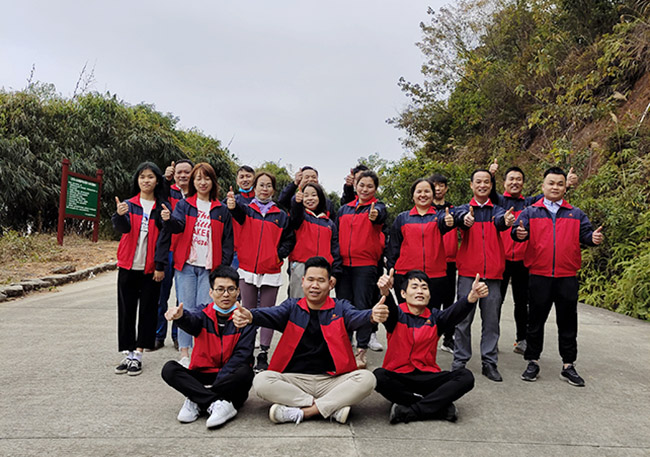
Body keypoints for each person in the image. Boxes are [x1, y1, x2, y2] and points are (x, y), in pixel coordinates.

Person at [232, 256, 389, 424]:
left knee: (367, 379)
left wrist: (372, 316)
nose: (315, 285)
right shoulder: (292, 307)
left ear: (330, 284)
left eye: (321, 281)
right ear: (303, 282)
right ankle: (331, 407)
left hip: (332, 380)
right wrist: (251, 315)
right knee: (261, 381)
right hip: (295, 380)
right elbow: (270, 314)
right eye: (310, 280)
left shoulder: (340, 308)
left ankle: (303, 412)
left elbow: (356, 317)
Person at [513, 166, 603, 386]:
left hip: (567, 276)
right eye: (551, 183)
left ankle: (568, 365)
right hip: (539, 275)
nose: (555, 187)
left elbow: (586, 234)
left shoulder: (576, 213)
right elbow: (517, 231)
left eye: (560, 184)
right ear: (543, 186)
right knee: (535, 321)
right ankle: (533, 361)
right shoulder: (531, 212)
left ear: (565, 187)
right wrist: (519, 233)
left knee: (568, 322)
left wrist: (593, 238)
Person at [487, 159, 578, 355]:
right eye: (511, 179)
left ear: (523, 183)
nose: (515, 182)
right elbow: (490, 193)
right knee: (496, 301)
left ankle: (522, 339)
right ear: (504, 182)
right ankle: (492, 341)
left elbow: (550, 195)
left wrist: (567, 184)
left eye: (519, 179)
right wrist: (491, 175)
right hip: (500, 259)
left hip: (523, 260)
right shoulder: (499, 202)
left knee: (522, 302)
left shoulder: (528, 203)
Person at [373, 269, 488, 424]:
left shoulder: (435, 318)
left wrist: (471, 297)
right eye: (414, 287)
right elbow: (389, 306)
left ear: (429, 295)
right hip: (400, 376)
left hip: (428, 376)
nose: (420, 291)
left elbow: (454, 313)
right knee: (378, 376)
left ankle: (410, 410)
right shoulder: (397, 315)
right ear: (403, 294)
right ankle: (438, 407)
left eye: (424, 288)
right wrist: (385, 292)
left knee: (466, 376)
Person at [161, 266, 255, 428]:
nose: (225, 294)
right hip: (202, 375)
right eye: (220, 289)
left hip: (229, 379)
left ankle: (197, 398)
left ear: (238, 291)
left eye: (231, 289)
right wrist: (180, 317)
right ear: (211, 292)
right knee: (169, 369)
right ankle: (217, 403)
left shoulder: (245, 319)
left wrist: (206, 387)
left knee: (245, 372)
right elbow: (191, 321)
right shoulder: (203, 313)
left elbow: (242, 356)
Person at [162, 162, 234, 368]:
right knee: (185, 309)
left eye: (207, 178)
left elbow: (227, 242)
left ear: (213, 182)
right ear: (193, 182)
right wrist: (167, 220)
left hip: (210, 269)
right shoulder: (185, 205)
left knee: (206, 311)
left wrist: (223, 269)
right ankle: (185, 352)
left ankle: (201, 352)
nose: (203, 182)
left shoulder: (221, 210)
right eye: (198, 178)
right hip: (186, 266)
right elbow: (177, 226)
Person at [451, 169, 516, 382]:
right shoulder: (464, 209)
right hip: (469, 274)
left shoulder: (497, 210)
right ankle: (460, 361)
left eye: (486, 182)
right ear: (471, 185)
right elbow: (460, 219)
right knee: (463, 320)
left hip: (493, 276)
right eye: (478, 181)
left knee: (491, 322)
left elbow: (501, 221)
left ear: (491, 185)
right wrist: (466, 219)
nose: (482, 185)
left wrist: (506, 221)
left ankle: (489, 362)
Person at [226, 171, 294, 372]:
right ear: (254, 187)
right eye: (261, 185)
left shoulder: (281, 215)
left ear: (274, 189)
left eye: (268, 185)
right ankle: (245, 351)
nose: (264, 189)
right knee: (246, 310)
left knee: (267, 313)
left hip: (270, 270)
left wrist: (278, 256)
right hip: (247, 269)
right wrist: (232, 205)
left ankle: (263, 353)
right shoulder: (246, 210)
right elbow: (235, 213)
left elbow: (289, 240)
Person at [112, 162, 170, 376]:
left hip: (151, 269)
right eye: (142, 177)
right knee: (126, 311)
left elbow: (165, 240)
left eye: (150, 177)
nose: (146, 180)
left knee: (147, 311)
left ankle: (138, 354)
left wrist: (160, 266)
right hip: (128, 266)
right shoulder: (129, 204)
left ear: (157, 181)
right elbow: (123, 228)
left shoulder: (162, 208)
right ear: (137, 180)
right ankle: (127, 353)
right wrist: (119, 215)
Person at [336, 170, 387, 367]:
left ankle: (361, 350)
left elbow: (380, 215)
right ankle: (344, 346)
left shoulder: (377, 207)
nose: (365, 189)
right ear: (355, 186)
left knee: (363, 307)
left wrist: (375, 215)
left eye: (370, 186)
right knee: (343, 306)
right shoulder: (344, 209)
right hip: (343, 266)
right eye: (361, 185)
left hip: (365, 267)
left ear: (375, 188)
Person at [386, 178, 455, 307]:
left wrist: (449, 222)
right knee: (406, 315)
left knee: (431, 315)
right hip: (405, 276)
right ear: (413, 196)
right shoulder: (402, 218)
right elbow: (393, 248)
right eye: (419, 191)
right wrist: (390, 272)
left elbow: (449, 222)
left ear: (433, 195)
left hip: (435, 277)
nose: (423, 195)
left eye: (427, 191)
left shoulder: (440, 216)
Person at [153, 159, 194, 351]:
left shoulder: (196, 195)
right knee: (161, 297)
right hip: (167, 250)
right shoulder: (167, 192)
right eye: (179, 172)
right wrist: (165, 178)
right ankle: (158, 335)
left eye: (187, 172)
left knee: (182, 297)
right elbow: (155, 190)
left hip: (186, 252)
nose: (183, 175)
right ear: (174, 174)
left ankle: (179, 335)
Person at [288, 182, 342, 298]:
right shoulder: (300, 217)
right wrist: (296, 202)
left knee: (320, 303)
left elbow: (335, 250)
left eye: (313, 195)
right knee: (298, 302)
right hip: (301, 266)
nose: (310, 198)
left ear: (320, 197)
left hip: (323, 269)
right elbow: (295, 213)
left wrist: (335, 273)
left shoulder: (329, 223)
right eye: (306, 195)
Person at [430, 173, 459, 354]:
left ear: (446, 188)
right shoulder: (427, 210)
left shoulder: (454, 210)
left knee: (449, 302)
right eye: (435, 185)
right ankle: (429, 336)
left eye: (441, 185)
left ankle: (448, 338)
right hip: (432, 262)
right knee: (432, 302)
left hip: (450, 262)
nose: (438, 188)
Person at [228, 165, 256, 271]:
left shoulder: (262, 202)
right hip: (236, 251)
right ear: (237, 181)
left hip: (256, 251)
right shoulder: (231, 201)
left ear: (254, 179)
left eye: (248, 176)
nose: (245, 180)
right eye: (241, 177)